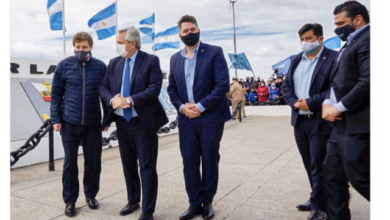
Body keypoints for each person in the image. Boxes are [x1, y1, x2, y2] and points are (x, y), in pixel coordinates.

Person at [99, 26, 168, 220]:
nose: (118, 46)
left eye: (121, 43)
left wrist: (129, 100)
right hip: (122, 122)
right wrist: (113, 99)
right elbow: (103, 87)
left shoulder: (150, 61)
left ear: (133, 43)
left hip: (143, 122)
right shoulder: (113, 63)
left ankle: (148, 209)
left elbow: (154, 89)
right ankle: (133, 200)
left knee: (146, 166)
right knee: (128, 164)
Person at [167, 15, 230, 220]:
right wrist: (182, 107)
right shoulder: (175, 58)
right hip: (186, 119)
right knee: (190, 161)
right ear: (179, 34)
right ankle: (194, 202)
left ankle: (208, 201)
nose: (189, 33)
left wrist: (201, 107)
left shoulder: (214, 52)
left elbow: (222, 85)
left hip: (210, 117)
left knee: (210, 159)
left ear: (199, 30)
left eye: (192, 29)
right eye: (185, 31)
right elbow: (172, 88)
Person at [282, 22, 338, 220]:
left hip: (319, 119)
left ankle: (320, 207)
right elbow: (286, 86)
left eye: (309, 39)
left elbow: (335, 88)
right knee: (308, 162)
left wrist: (311, 102)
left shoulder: (333, 58)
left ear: (320, 39)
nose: (304, 43)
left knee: (319, 164)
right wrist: (295, 103)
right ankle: (316, 197)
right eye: (302, 39)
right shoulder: (296, 60)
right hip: (299, 120)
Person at [321, 1, 370, 219]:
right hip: (339, 126)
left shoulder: (370, 40)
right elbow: (336, 83)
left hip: (358, 123)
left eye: (341, 23)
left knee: (361, 177)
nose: (338, 28)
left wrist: (339, 107)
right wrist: (326, 104)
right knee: (332, 177)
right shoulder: (347, 45)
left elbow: (369, 80)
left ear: (358, 19)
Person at [50, 32, 107, 217]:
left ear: (90, 47)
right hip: (69, 122)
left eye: (84, 47)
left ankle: (91, 195)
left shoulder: (100, 67)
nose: (81, 50)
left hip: (92, 123)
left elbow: (106, 95)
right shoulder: (64, 65)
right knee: (70, 164)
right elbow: (56, 95)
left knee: (93, 162)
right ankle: (70, 200)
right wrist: (56, 119)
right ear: (74, 46)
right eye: (78, 46)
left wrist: (107, 119)